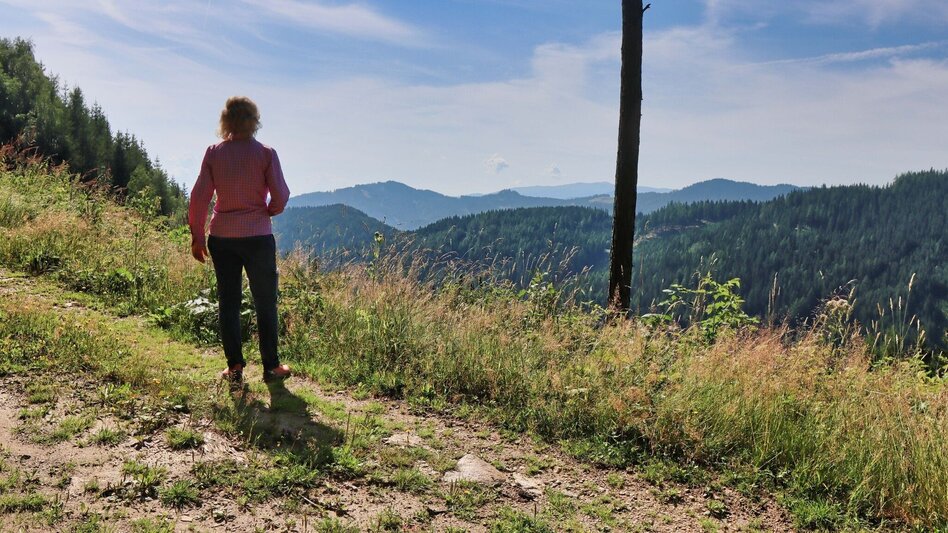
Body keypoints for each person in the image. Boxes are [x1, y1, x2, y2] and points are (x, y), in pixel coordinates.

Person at [188, 96, 292, 385]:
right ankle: (271, 367)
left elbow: (199, 197)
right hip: (258, 236)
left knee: (229, 302)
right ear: (254, 121)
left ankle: (234, 367)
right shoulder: (266, 154)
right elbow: (281, 196)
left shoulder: (214, 153)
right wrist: (269, 210)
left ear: (226, 121)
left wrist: (197, 236)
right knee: (265, 301)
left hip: (222, 237)